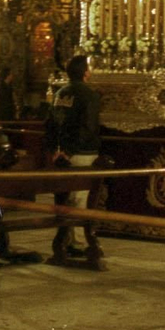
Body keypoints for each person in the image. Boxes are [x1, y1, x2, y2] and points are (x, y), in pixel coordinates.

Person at [49, 54, 101, 256]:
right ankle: (77, 242)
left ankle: (66, 237)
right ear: (86, 73)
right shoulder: (89, 95)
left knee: (64, 197)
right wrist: (71, 151)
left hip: (61, 152)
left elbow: (51, 124)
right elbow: (87, 127)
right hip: (81, 152)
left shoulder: (59, 93)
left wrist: (56, 149)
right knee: (80, 198)